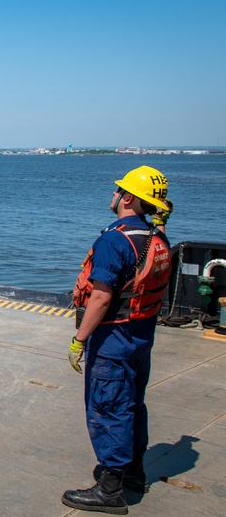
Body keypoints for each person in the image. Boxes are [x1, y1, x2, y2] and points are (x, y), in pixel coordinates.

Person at [63, 165, 173, 515]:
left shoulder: (115, 240)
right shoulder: (156, 237)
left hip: (113, 338)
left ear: (127, 197)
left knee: (109, 406)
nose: (113, 195)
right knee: (132, 404)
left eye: (118, 190)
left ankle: (110, 490)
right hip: (141, 336)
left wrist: (80, 339)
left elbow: (101, 297)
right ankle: (133, 473)